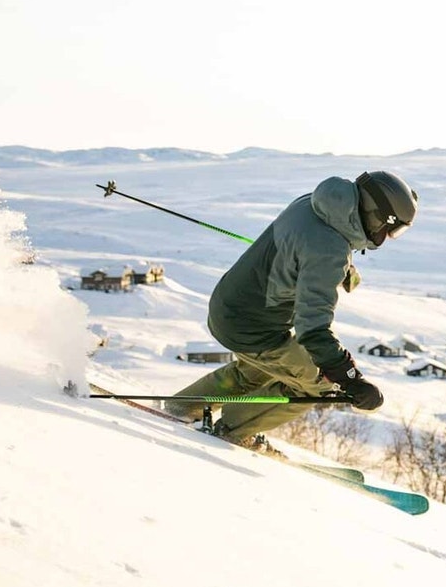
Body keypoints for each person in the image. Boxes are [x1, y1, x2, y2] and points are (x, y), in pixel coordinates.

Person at [166, 170, 419, 453]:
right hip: (254, 327)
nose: (385, 238)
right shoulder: (330, 251)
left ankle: (181, 407)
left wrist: (341, 268)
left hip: (228, 307)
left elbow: (303, 248)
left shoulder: (315, 203)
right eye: (391, 229)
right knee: (316, 386)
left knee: (256, 371)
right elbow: (313, 329)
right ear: (375, 215)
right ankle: (230, 430)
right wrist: (349, 379)